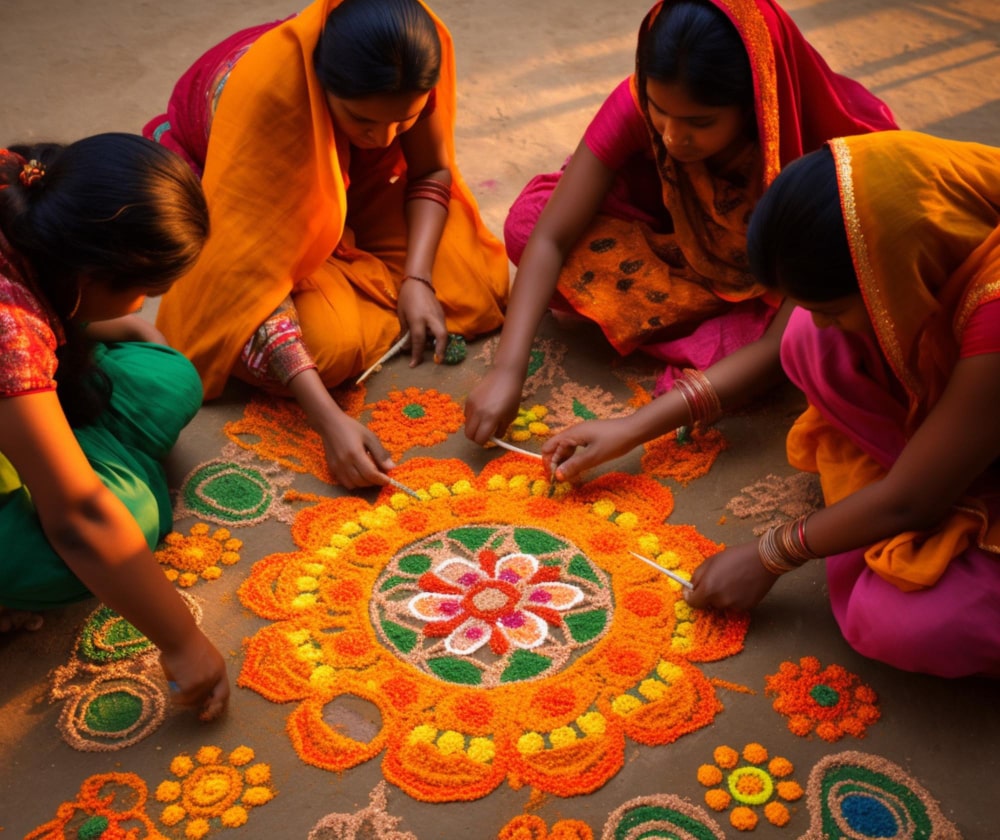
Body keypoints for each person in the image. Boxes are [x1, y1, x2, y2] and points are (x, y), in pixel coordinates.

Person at [464, 0, 897, 454]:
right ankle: (707, 338)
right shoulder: (637, 102)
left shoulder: (826, 160)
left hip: (776, 290)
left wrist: (634, 428)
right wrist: (507, 369)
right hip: (677, 257)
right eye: (658, 110)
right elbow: (549, 235)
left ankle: (704, 342)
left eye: (700, 122)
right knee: (527, 224)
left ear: (754, 102)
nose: (672, 136)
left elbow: (777, 345)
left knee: (816, 341)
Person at [145, 0, 509, 489]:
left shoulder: (416, 67)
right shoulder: (269, 104)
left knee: (479, 284)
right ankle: (342, 280)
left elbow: (430, 171)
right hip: (250, 202)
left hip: (350, 190)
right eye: (362, 120)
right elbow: (250, 275)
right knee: (329, 350)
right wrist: (328, 423)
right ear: (321, 86)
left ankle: (347, 272)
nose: (383, 140)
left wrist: (418, 278)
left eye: (403, 122)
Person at [684, 131, 1000, 678]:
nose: (823, 317)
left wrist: (772, 553)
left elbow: (911, 505)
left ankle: (944, 480)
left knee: (909, 622)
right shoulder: (889, 206)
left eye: (834, 305)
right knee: (809, 340)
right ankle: (934, 465)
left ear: (894, 272)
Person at [0, 134, 230, 718]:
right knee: (125, 518)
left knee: (168, 375)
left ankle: (68, 454)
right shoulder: (10, 331)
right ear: (86, 274)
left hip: (33, 375)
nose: (145, 306)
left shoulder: (21, 184)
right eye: (144, 292)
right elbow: (80, 519)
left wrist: (87, 328)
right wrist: (183, 641)